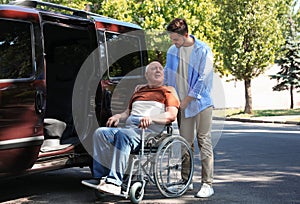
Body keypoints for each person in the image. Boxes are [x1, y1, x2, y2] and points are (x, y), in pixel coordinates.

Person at [81, 61, 180, 195]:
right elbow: (127, 113)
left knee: (124, 135)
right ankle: (100, 178)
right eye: (154, 68)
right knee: (100, 133)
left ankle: (114, 182)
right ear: (146, 75)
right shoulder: (139, 91)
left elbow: (171, 115)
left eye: (160, 69)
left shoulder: (168, 92)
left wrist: (152, 118)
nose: (158, 70)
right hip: (130, 129)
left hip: (149, 132)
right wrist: (118, 116)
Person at [164, 18, 215, 198]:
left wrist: (186, 100)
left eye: (176, 39)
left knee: (204, 140)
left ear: (185, 35)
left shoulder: (203, 50)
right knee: (185, 143)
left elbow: (203, 80)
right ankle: (186, 181)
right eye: (171, 39)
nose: (173, 43)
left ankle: (207, 184)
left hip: (200, 103)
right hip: (182, 105)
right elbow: (166, 76)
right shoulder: (172, 51)